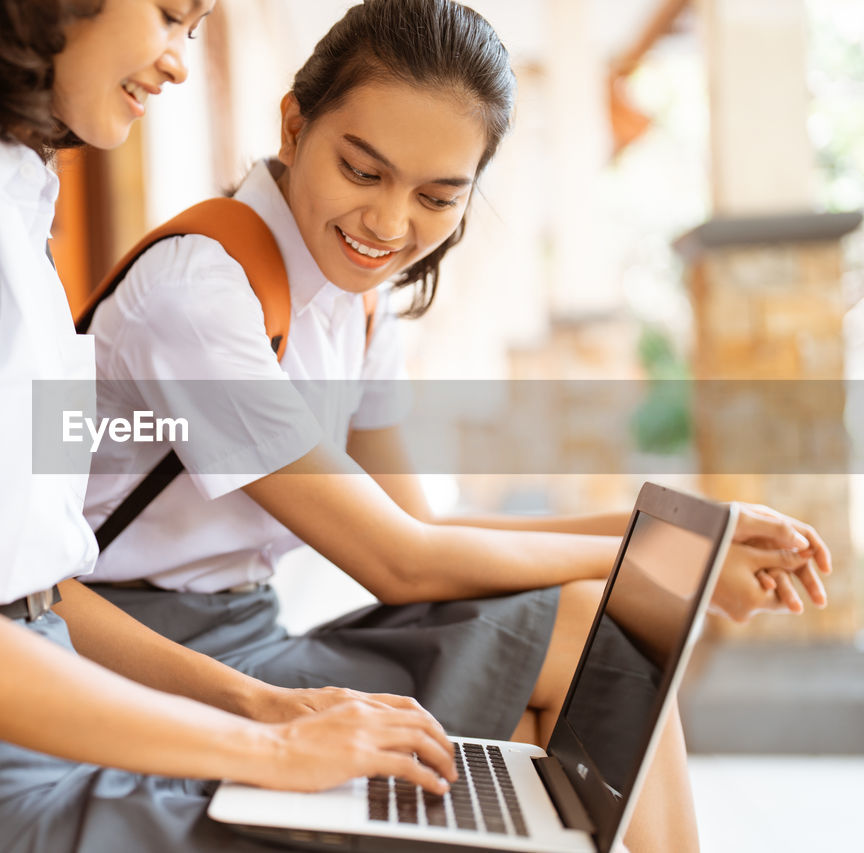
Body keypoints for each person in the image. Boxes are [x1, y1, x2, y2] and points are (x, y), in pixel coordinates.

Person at [79, 1, 833, 850]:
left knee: (563, 688)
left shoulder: (358, 304)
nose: (390, 226)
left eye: (437, 196)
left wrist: (698, 536)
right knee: (578, 651)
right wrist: (670, 558)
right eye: (362, 171)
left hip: (249, 633)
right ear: (294, 125)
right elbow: (400, 562)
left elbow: (425, 525)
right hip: (136, 661)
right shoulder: (198, 295)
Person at [0, 1, 471, 851]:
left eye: (190, 29)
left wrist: (262, 705)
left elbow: (45, 594)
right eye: (165, 16)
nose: (179, 62)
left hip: (40, 730)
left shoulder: (1, 204)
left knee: (411, 800)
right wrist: (269, 747)